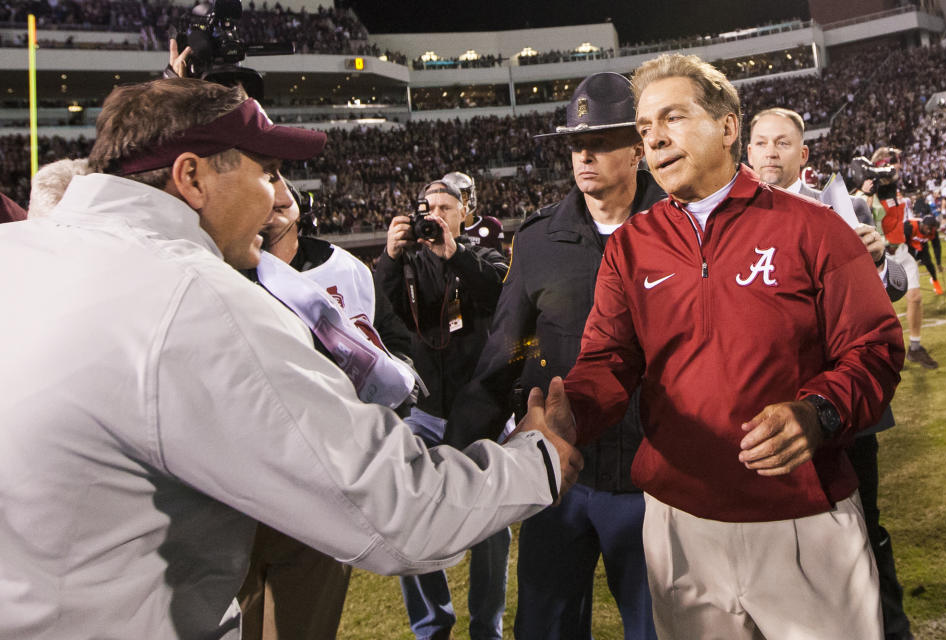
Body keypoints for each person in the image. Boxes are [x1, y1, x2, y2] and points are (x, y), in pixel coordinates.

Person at [0, 77, 582, 639]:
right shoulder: (199, 300)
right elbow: (394, 511)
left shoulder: (18, 252)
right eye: (269, 172)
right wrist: (538, 460)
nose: (282, 198)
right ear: (191, 176)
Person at [563, 54, 904, 640]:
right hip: (679, 525)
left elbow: (874, 347)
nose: (655, 139)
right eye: (645, 129)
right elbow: (608, 361)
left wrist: (819, 412)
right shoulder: (631, 247)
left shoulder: (812, 227)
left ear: (727, 127)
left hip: (803, 517)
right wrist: (564, 417)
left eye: (673, 117)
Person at [446, 72, 664, 640]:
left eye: (601, 141)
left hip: (655, 479)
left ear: (638, 148)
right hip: (557, 478)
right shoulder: (540, 239)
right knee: (544, 628)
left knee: (661, 629)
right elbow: (505, 354)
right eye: (574, 143)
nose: (584, 154)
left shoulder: (680, 229)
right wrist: (453, 456)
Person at [747, 107, 914, 640]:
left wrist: (881, 257)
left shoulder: (848, 206)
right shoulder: (731, 216)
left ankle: (889, 628)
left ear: (804, 154)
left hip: (846, 406)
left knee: (863, 529)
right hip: (765, 406)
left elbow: (891, 292)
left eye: (781, 143)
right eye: (761, 143)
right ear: (746, 151)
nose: (770, 152)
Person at [236, 179, 413, 640]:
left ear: (301, 207)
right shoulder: (223, 268)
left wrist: (396, 378)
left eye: (280, 196)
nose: (270, 209)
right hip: (238, 482)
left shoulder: (346, 268)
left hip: (323, 478)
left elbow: (394, 341)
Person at [374, 177, 512, 640]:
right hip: (426, 409)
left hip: (482, 408)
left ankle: (486, 627)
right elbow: (376, 311)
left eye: (445, 207)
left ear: (464, 212)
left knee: (491, 523)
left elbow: (498, 291)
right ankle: (432, 626)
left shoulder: (484, 251)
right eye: (426, 206)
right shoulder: (408, 261)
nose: (433, 214)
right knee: (409, 512)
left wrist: (454, 252)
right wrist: (390, 259)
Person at [865, 147, 939, 369]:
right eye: (893, 162)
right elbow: (862, 214)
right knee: (881, 309)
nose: (897, 166)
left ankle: (915, 348)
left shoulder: (894, 189)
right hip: (881, 255)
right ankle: (879, 353)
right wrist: (868, 192)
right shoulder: (871, 190)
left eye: (897, 162)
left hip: (902, 251)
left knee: (915, 297)